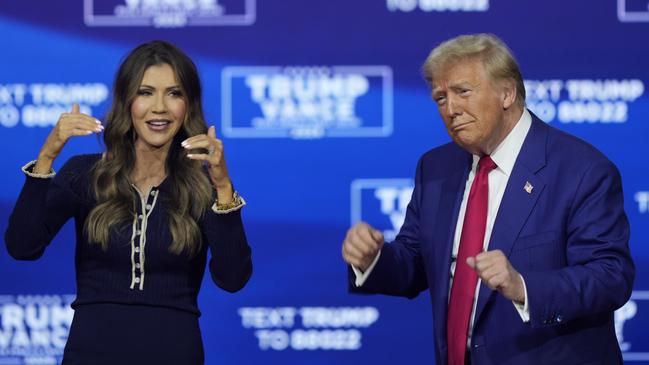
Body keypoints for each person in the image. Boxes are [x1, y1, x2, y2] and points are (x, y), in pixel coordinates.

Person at [342, 34, 634, 365]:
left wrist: (523, 287)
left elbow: (610, 276)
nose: (451, 109)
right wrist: (371, 260)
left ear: (507, 93)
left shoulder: (581, 170)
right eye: (440, 98)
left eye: (462, 92)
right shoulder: (436, 168)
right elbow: (414, 261)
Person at [5, 40, 252, 364]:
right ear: (126, 101)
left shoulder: (203, 188)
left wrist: (222, 185)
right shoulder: (86, 174)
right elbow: (22, 246)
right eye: (146, 92)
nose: (160, 107)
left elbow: (233, 278)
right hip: (90, 353)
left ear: (188, 105)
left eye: (174, 93)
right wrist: (47, 155)